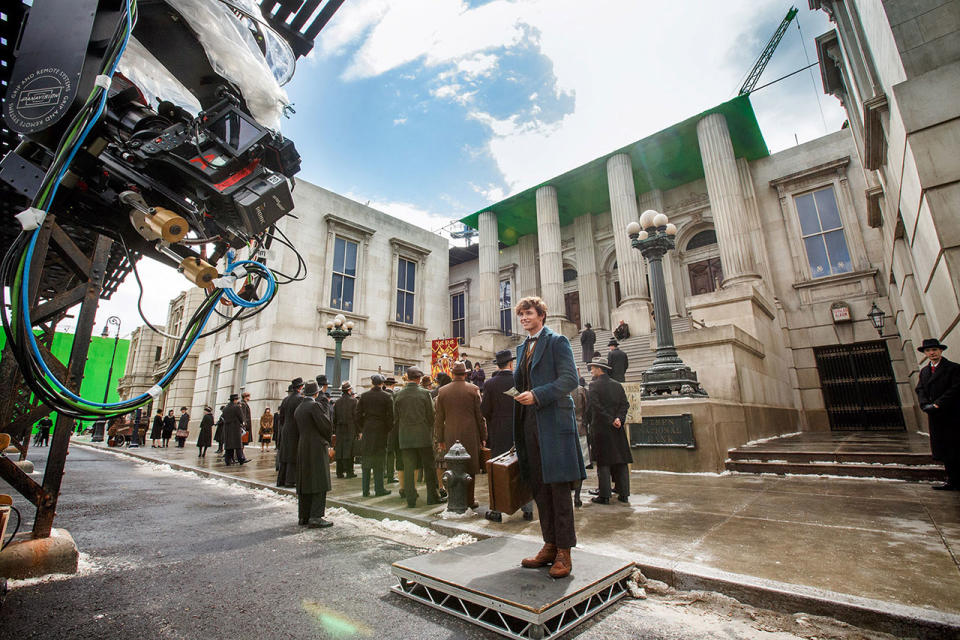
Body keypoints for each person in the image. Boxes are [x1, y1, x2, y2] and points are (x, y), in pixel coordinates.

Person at [513, 296, 584, 579]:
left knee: (558, 489)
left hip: (554, 422)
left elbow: (570, 380)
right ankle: (549, 545)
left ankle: (565, 552)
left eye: (528, 314)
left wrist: (538, 394)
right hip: (529, 422)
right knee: (540, 487)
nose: (523, 319)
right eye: (520, 315)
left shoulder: (558, 342)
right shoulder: (521, 348)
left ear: (542, 315)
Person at [482, 349, 533, 523]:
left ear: (498, 365)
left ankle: (497, 510)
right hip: (520, 426)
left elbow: (485, 410)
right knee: (523, 466)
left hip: (499, 429)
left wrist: (494, 420)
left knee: (497, 468)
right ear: (511, 364)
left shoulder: (489, 384)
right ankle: (527, 509)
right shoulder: (521, 380)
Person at [435, 361, 486, 509]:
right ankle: (469, 500)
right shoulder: (474, 389)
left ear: (452, 374)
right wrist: (483, 436)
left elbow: (439, 419)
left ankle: (454, 498)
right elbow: (480, 416)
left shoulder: (442, 391)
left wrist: (440, 439)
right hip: (471, 434)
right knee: (470, 467)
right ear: (465, 374)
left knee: (452, 466)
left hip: (450, 433)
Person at [395, 367, 444, 508]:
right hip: (423, 435)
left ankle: (410, 499)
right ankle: (432, 497)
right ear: (418, 379)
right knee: (429, 467)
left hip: (405, 436)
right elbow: (431, 415)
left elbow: (395, 416)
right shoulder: (424, 393)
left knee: (409, 468)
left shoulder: (398, 394)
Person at [585, 357, 632, 504]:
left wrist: (610, 419)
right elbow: (625, 404)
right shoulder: (617, 385)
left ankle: (604, 495)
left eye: (592, 368)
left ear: (599, 369)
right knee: (621, 460)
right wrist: (618, 418)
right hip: (617, 428)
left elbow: (596, 407)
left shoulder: (593, 386)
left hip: (601, 428)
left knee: (603, 462)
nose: (591, 370)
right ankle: (623, 493)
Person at [915, 338, 960, 490]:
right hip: (935, 416)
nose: (932, 353)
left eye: (934, 350)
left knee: (955, 447)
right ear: (925, 353)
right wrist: (924, 404)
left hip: (951, 415)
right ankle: (952, 480)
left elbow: (955, 389)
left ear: (940, 351)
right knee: (945, 449)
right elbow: (920, 389)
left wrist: (938, 404)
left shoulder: (953, 368)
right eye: (928, 350)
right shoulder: (925, 371)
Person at [294, 380, 334, 527]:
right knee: (319, 480)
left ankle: (303, 515)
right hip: (316, 446)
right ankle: (316, 516)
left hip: (303, 445)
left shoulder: (299, 408)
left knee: (305, 480)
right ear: (316, 393)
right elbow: (325, 426)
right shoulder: (314, 406)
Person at [355, 374, 393, 497]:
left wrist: (363, 426)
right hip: (381, 430)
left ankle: (365, 489)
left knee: (366, 460)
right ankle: (379, 488)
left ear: (372, 383)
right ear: (382, 384)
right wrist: (387, 428)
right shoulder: (386, 396)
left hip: (368, 429)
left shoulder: (364, 396)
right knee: (379, 461)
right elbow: (390, 416)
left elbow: (357, 415)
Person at [277, 378, 305, 487]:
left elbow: (281, 416)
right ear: (301, 387)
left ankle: (281, 479)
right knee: (293, 455)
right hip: (295, 429)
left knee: (284, 456)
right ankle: (290, 480)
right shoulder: (299, 399)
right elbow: (300, 416)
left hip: (285, 428)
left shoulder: (286, 399)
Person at [333, 382, 358, 478]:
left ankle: (339, 472)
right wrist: (358, 430)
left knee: (340, 449)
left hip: (339, 428)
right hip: (350, 428)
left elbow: (334, 418)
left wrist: (335, 429)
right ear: (349, 390)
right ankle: (349, 471)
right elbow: (356, 417)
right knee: (349, 450)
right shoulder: (353, 401)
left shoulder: (337, 402)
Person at [221, 394, 248, 466]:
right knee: (238, 445)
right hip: (235, 427)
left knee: (229, 446)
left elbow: (222, 417)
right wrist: (243, 422)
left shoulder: (225, 408)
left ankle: (228, 460)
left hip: (227, 428)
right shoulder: (237, 407)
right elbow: (241, 417)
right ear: (235, 400)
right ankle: (241, 459)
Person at [383, 376, 400, 485]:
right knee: (391, 453)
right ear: (393, 385)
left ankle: (382, 472)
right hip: (392, 428)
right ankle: (390, 475)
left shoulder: (381, 395)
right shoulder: (394, 395)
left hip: (380, 428)